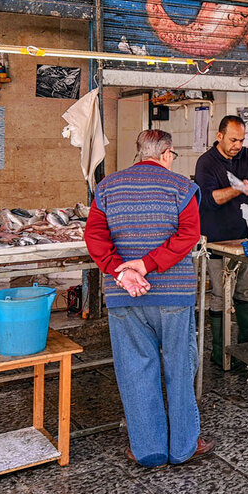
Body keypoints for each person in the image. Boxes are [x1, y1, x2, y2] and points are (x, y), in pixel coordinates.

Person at [84, 129, 214, 466]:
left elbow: (95, 237)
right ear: (167, 153)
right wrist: (147, 264)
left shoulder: (107, 187)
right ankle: (183, 446)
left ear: (139, 153)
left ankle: (147, 450)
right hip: (174, 294)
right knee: (180, 368)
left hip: (124, 296)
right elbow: (189, 236)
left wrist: (122, 271)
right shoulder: (183, 188)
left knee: (135, 370)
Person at [194, 115, 248, 365]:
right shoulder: (206, 163)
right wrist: (241, 189)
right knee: (222, 295)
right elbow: (210, 198)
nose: (237, 145)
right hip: (217, 242)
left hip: (246, 239)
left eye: (241, 140)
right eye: (233, 140)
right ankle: (220, 349)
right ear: (219, 136)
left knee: (246, 289)